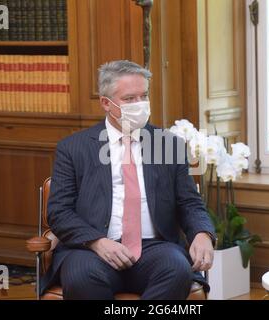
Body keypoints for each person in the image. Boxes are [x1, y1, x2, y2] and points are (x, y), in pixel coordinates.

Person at [41, 60, 216, 300]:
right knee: (82, 277)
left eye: (143, 96)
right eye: (129, 99)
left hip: (154, 248)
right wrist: (96, 241)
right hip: (92, 249)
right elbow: (59, 212)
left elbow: (190, 203)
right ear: (106, 103)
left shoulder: (168, 145)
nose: (140, 105)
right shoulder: (73, 148)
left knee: (176, 270)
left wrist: (203, 233)